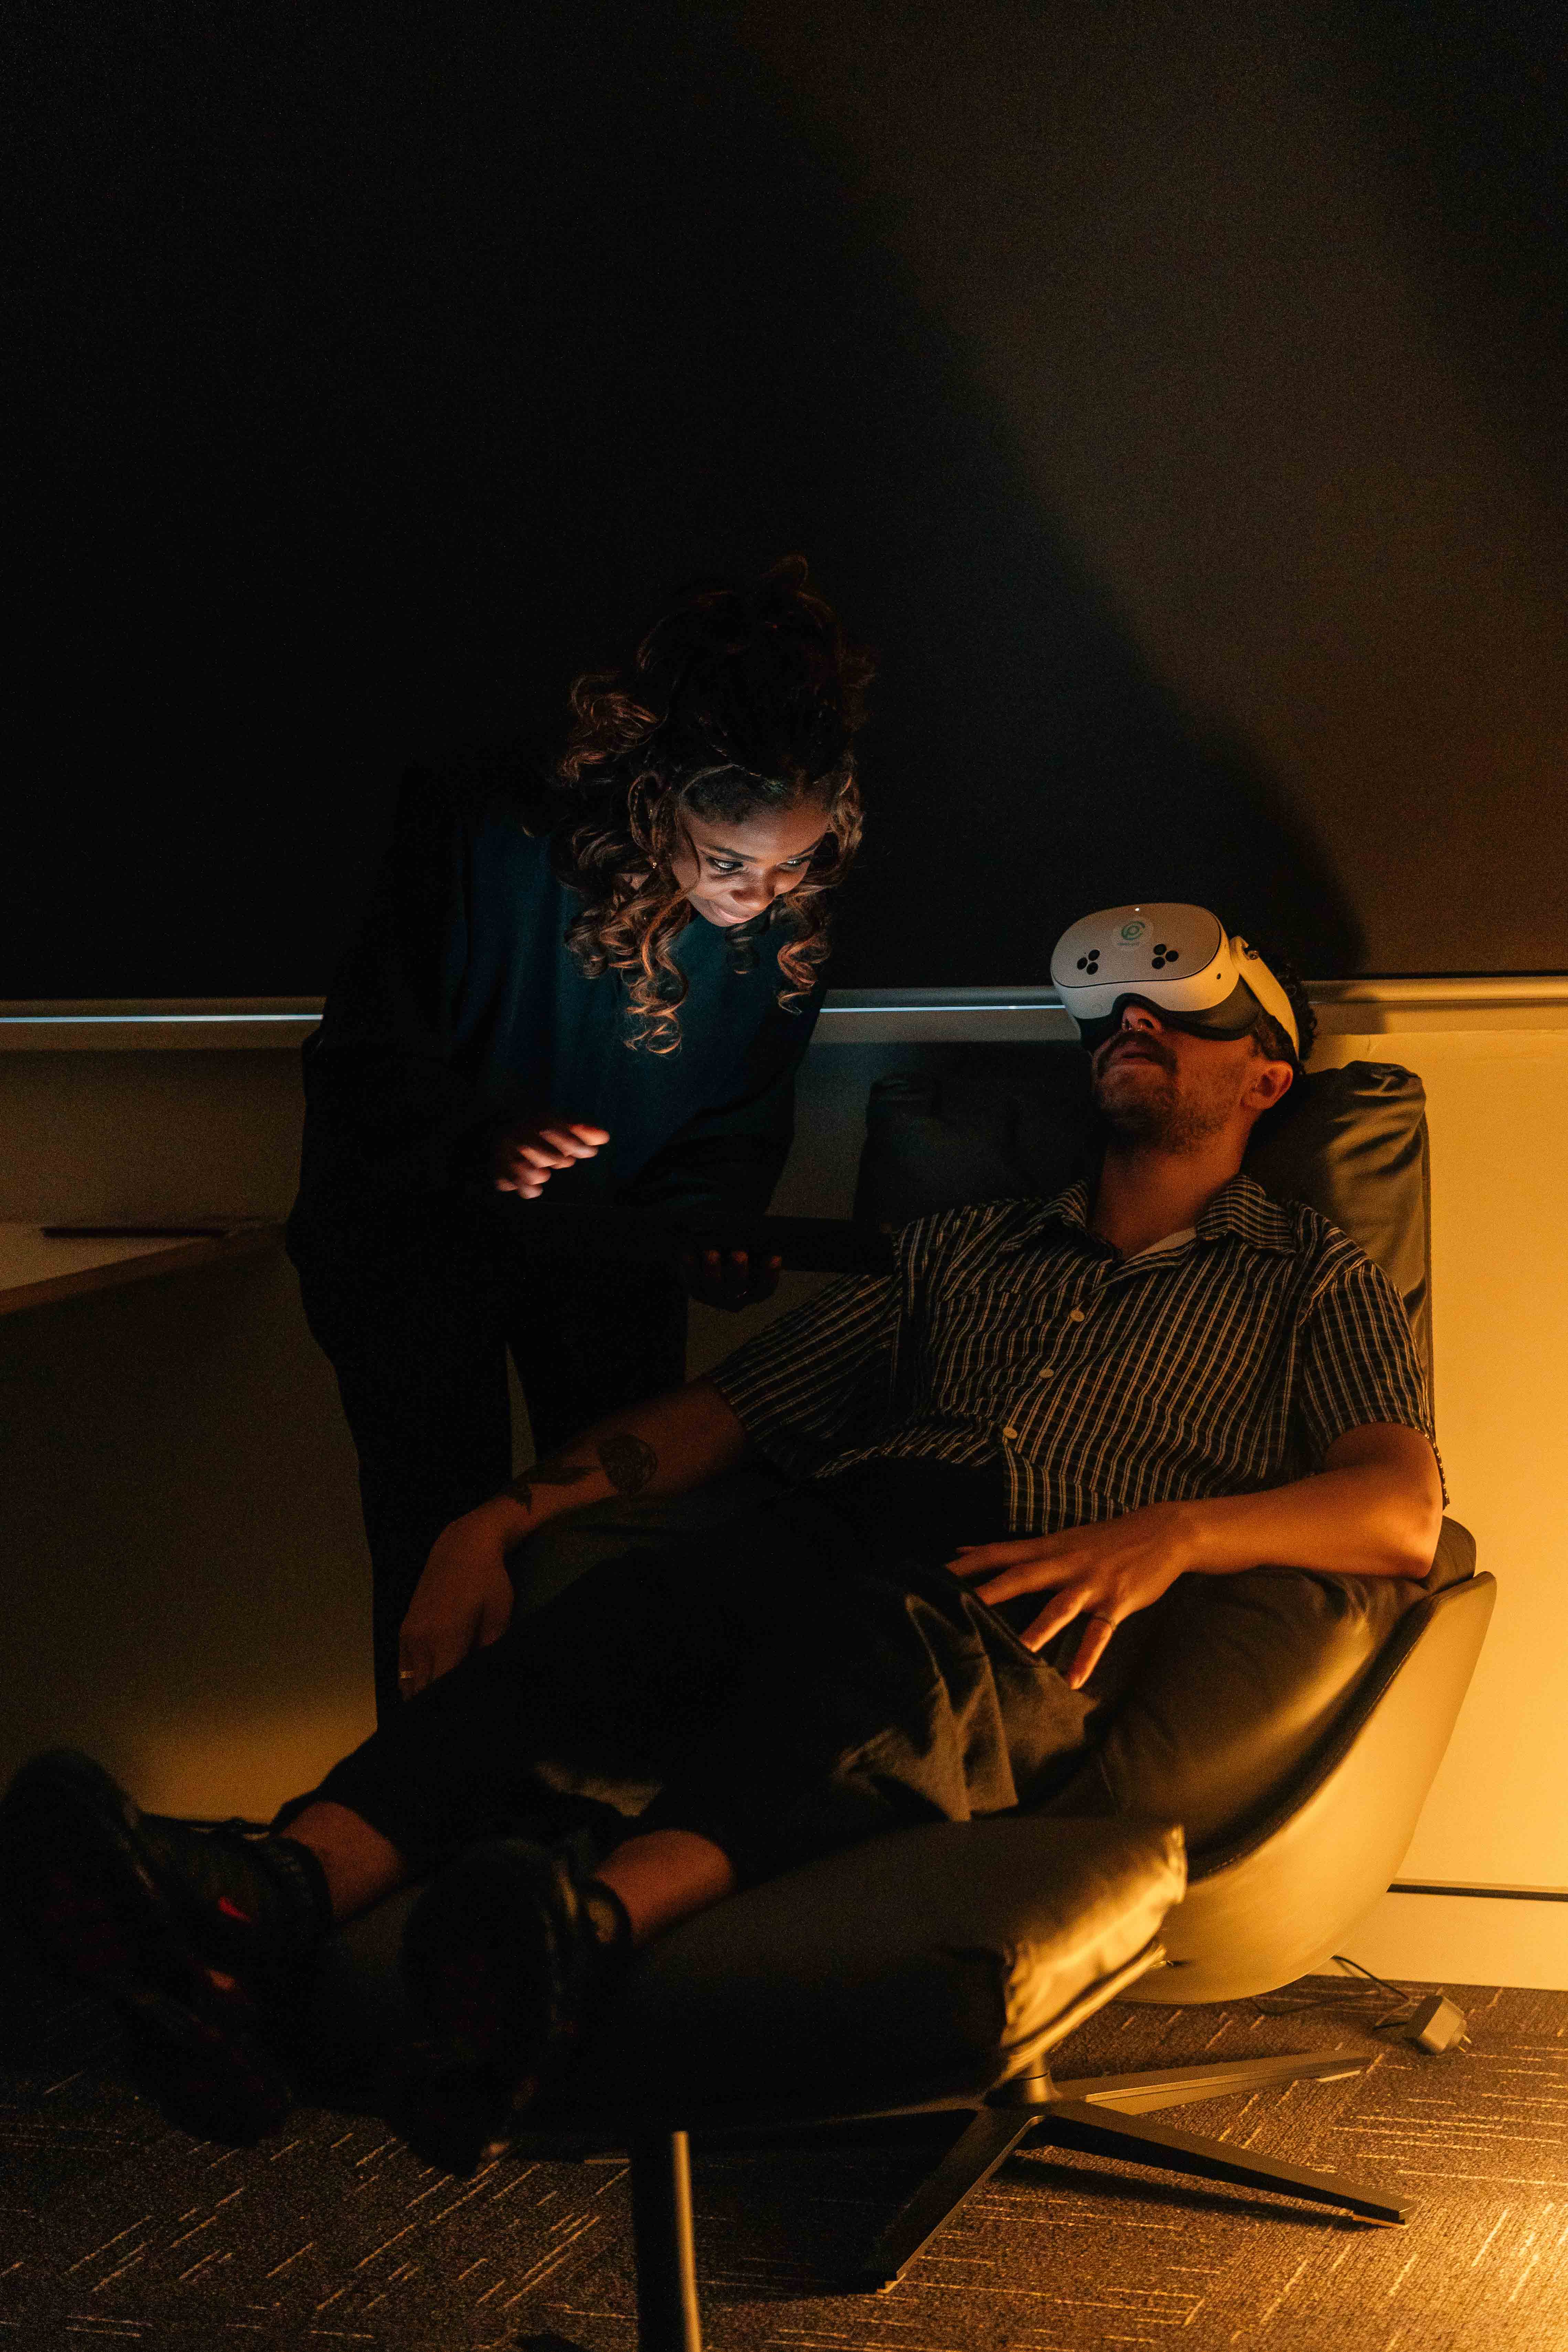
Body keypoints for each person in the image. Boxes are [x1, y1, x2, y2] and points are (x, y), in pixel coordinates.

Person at [0, 910, 1444, 2176]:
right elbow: (732, 1407)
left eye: (1182, 1012)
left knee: (883, 1665)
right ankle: (264, 1902)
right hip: (837, 1522)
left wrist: (1177, 1534)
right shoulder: (963, 1251)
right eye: (1114, 1010)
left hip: (1035, 1588)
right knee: (620, 1619)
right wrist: (495, 1515)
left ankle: (569, 1944)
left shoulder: (1310, 1274)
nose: (1134, 1022)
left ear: (1268, 1073)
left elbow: (1399, 1507)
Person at [285, 557, 874, 1720]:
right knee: (436, 1545)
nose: (761, 896)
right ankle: (411, 1841)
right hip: (412, 1243)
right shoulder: (478, 824)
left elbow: (741, 1113)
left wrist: (716, 1227)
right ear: (660, 797)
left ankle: (572, 1840)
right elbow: (365, 1054)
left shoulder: (787, 912)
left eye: (792, 864)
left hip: (608, 1256)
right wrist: (482, 1138)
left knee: (607, 1546)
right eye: (730, 861)